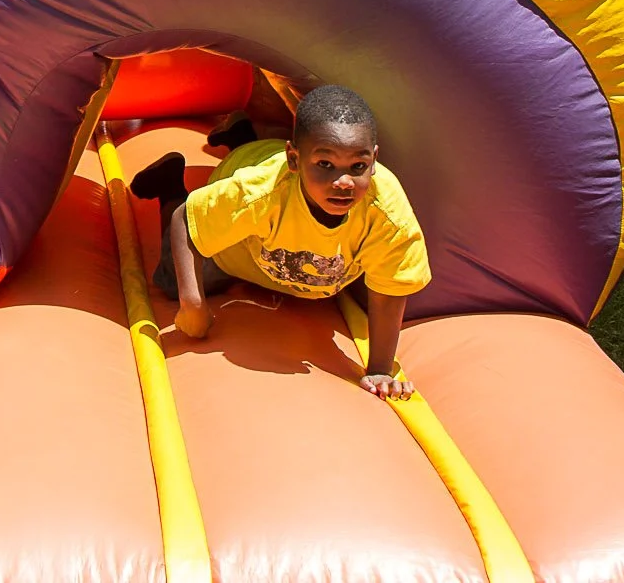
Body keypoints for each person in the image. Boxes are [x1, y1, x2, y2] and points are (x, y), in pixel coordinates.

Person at [130, 84, 430, 400]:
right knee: (171, 280)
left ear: (374, 159)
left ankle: (240, 133)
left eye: (357, 166)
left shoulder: (386, 211)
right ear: (294, 159)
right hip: (240, 235)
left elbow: (390, 290)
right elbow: (185, 221)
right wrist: (193, 306)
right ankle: (170, 183)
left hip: (285, 246)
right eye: (325, 165)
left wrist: (380, 369)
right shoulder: (258, 193)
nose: (343, 182)